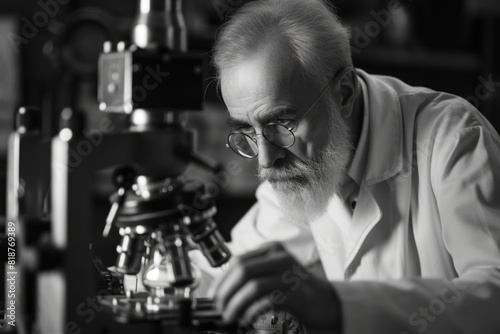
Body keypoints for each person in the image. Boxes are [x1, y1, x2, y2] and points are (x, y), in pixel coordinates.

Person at [195, 0, 500, 333]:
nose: (265, 161)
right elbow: (231, 273)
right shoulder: (299, 167)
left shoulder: (453, 138)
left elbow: (494, 294)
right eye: (246, 132)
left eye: (281, 122)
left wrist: (337, 305)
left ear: (343, 93)